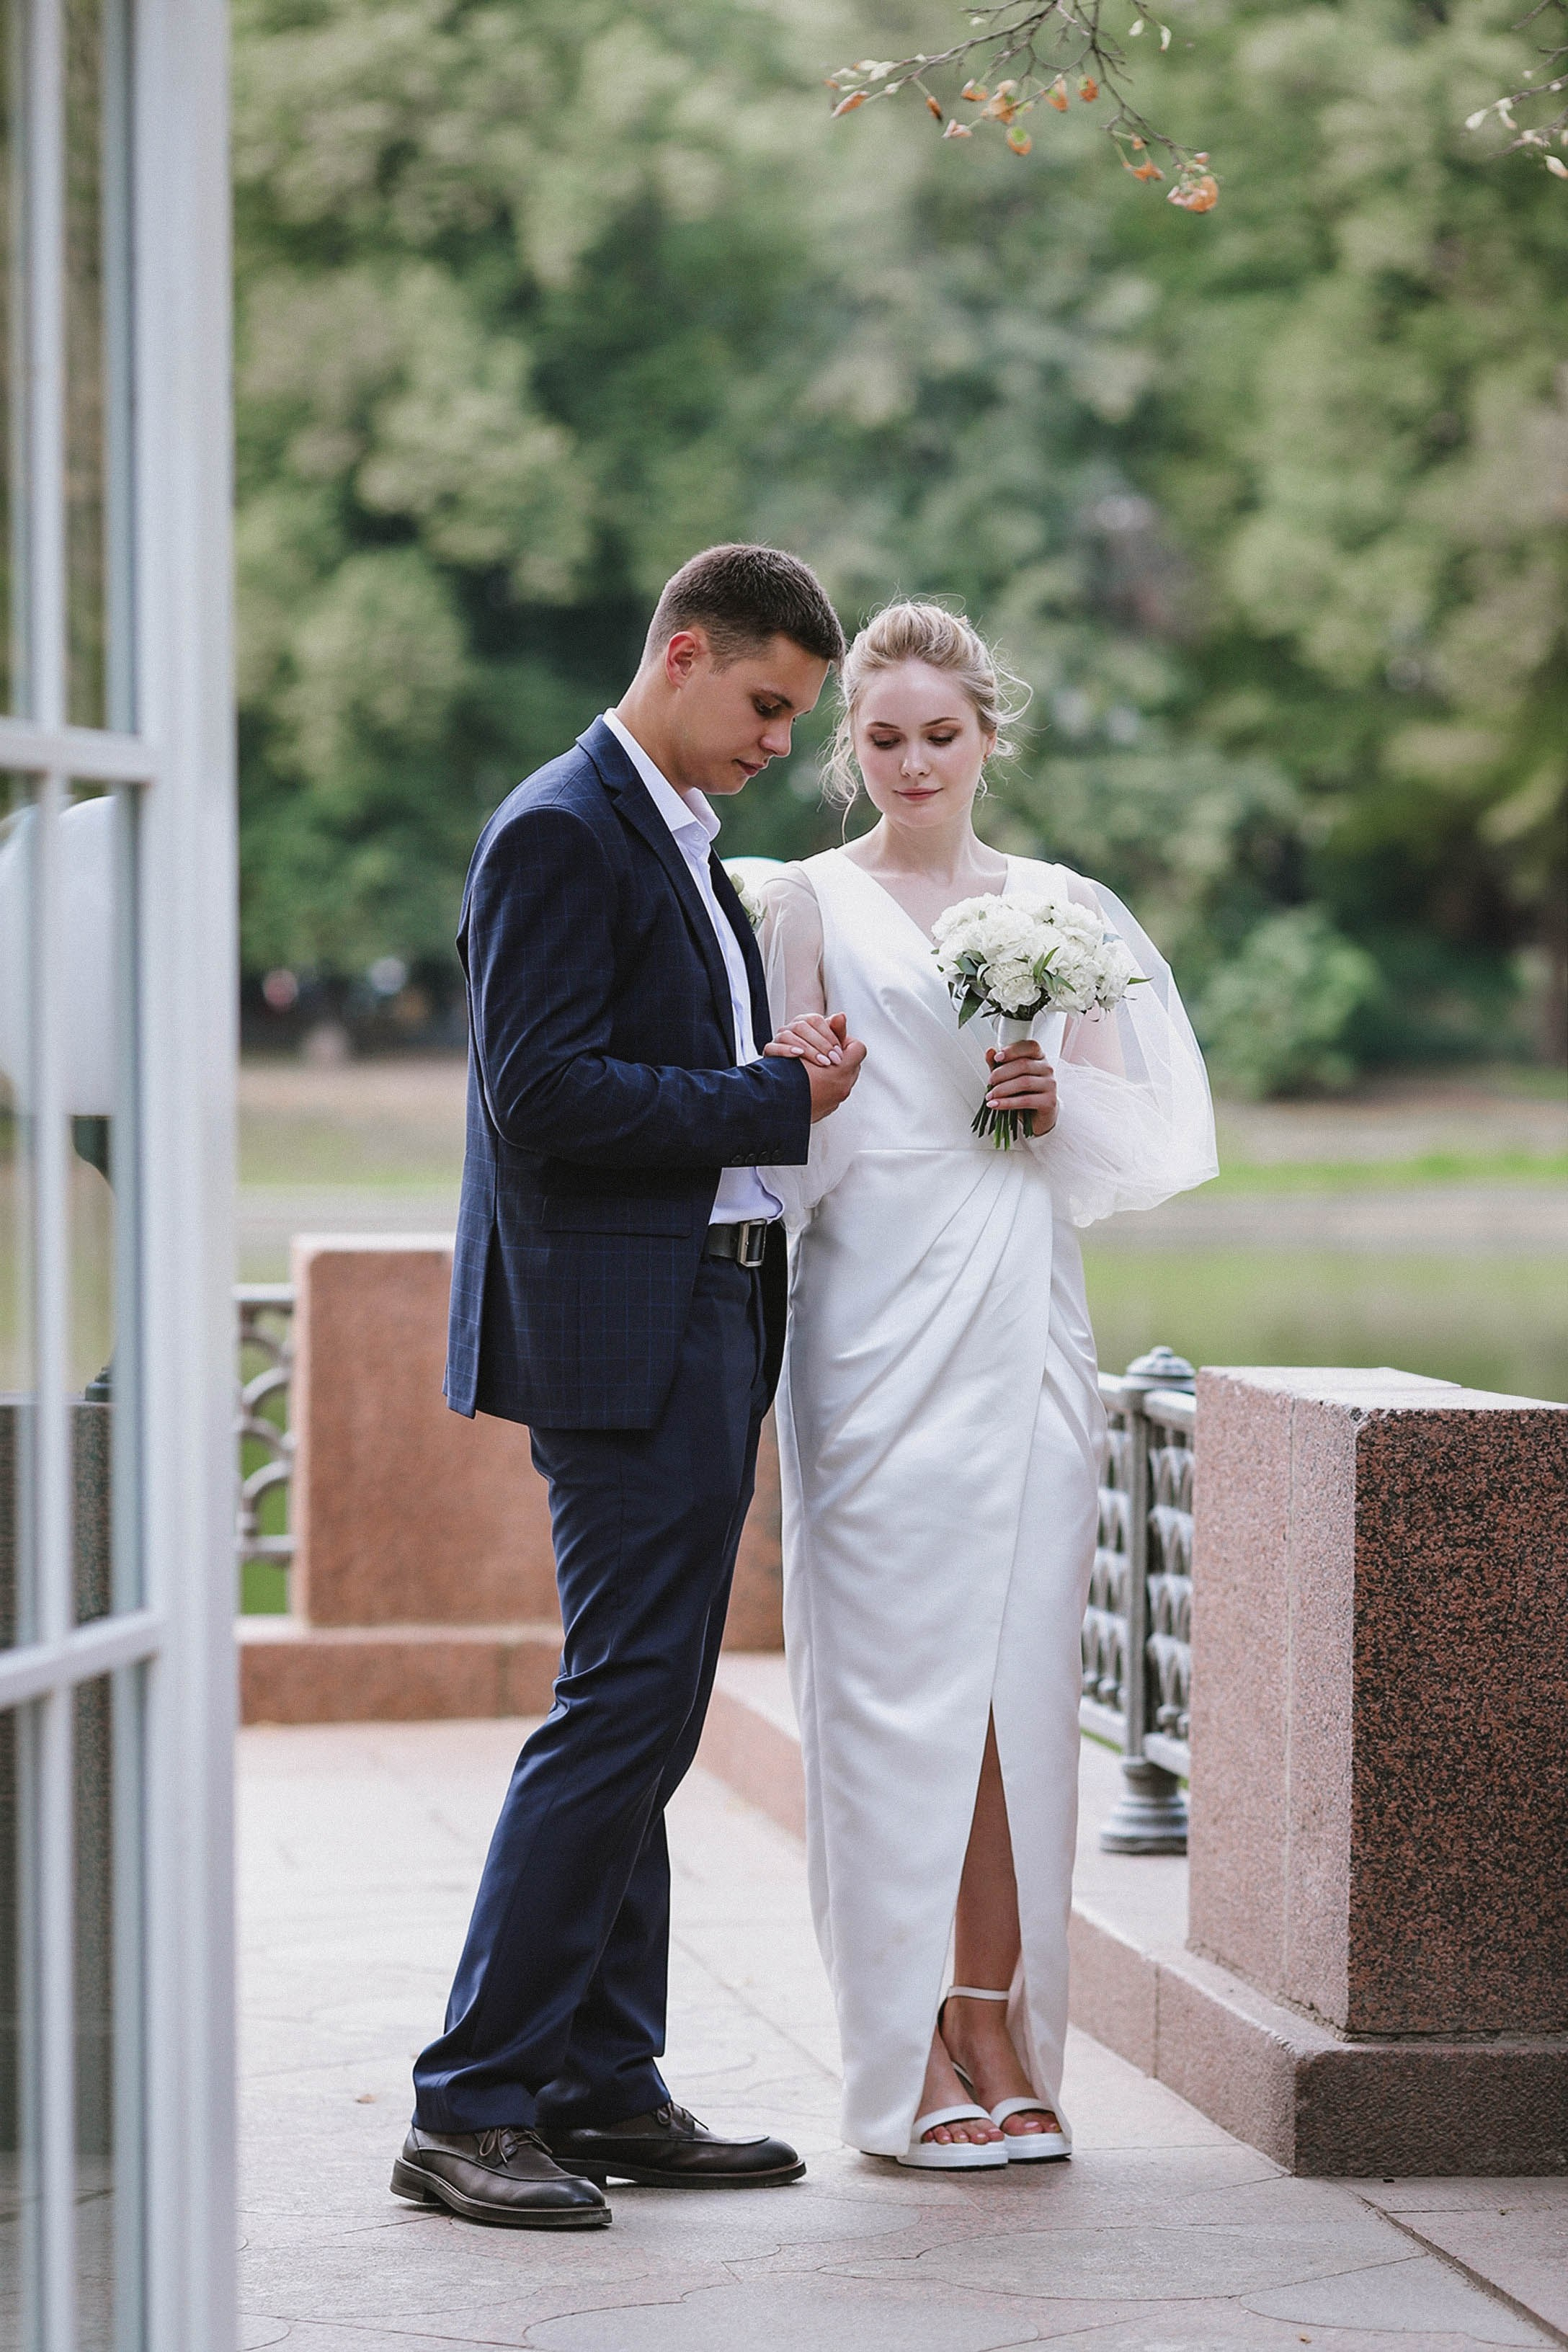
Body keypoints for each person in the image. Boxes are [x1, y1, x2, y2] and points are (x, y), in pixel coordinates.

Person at [395, 545, 864, 2229]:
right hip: (623, 1333)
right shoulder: (556, 828)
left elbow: (649, 1070)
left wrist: (772, 1082)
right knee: (616, 1714)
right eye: (764, 706)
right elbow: (545, 1099)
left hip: (708, 1313)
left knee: (649, 1709)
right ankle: (470, 2103)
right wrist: (765, 1099)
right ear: (681, 655)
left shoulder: (682, 841)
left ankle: (601, 2086)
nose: (773, 743)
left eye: (793, 717)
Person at [759, 602, 1216, 2170]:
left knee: (1018, 1687)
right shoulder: (799, 903)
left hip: (1022, 1314)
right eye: (879, 739)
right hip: (869, 1330)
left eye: (935, 736)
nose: (908, 763)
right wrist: (806, 1086)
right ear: (850, 750)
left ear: (984, 741)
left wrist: (1044, 1093)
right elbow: (788, 1160)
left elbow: (1135, 1143)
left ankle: (1004, 2028)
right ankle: (911, 2055)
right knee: (892, 1699)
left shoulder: (1060, 909)